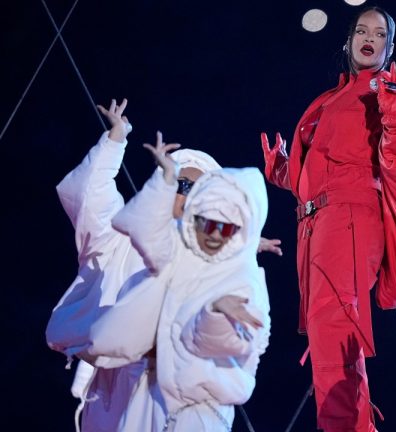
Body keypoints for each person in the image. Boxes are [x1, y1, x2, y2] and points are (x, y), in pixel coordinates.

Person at [261, 6, 396, 431]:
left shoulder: (383, 91)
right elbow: (319, 171)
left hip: (349, 222)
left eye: (379, 33)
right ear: (348, 40)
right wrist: (281, 169)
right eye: (361, 30)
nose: (368, 37)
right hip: (315, 227)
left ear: (389, 48)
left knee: (335, 331)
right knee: (327, 339)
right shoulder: (330, 97)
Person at [46, 99, 277, 431]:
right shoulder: (120, 240)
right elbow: (89, 198)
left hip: (181, 398)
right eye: (182, 184)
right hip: (116, 392)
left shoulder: (219, 266)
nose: (187, 195)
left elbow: (241, 341)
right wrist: (115, 139)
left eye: (199, 190)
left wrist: (237, 249)